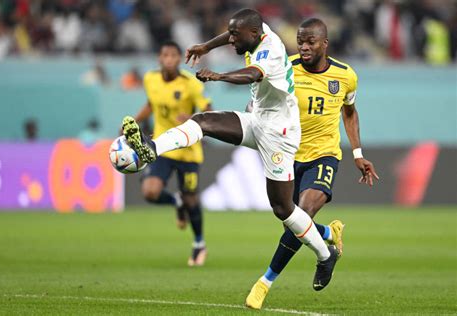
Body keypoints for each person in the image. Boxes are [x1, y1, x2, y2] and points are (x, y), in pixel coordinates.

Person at [122, 9, 339, 288]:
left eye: (236, 36)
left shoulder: (270, 51)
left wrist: (218, 76)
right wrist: (206, 46)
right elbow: (234, 32)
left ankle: (325, 254)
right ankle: (152, 148)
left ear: (253, 34)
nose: (232, 40)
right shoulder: (254, 32)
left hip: (279, 135)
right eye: (231, 34)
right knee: (203, 121)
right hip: (257, 120)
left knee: (283, 209)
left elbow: (251, 74)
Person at [245, 18, 380, 309]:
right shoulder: (284, 67)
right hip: (287, 154)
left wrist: (357, 154)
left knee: (303, 211)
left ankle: (264, 282)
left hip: (324, 154)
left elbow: (350, 112)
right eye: (300, 41)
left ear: (325, 44)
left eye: (311, 42)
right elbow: (260, 101)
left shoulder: (346, 76)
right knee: (292, 219)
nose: (304, 47)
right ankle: (329, 234)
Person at [129, 41, 212, 267]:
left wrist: (192, 119)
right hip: (162, 146)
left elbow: (208, 110)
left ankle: (198, 243)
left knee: (192, 199)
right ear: (159, 58)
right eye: (165, 54)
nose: (168, 59)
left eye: (173, 55)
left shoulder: (190, 84)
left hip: (188, 150)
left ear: (179, 59)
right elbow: (152, 105)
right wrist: (135, 121)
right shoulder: (150, 79)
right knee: (150, 191)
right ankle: (175, 201)